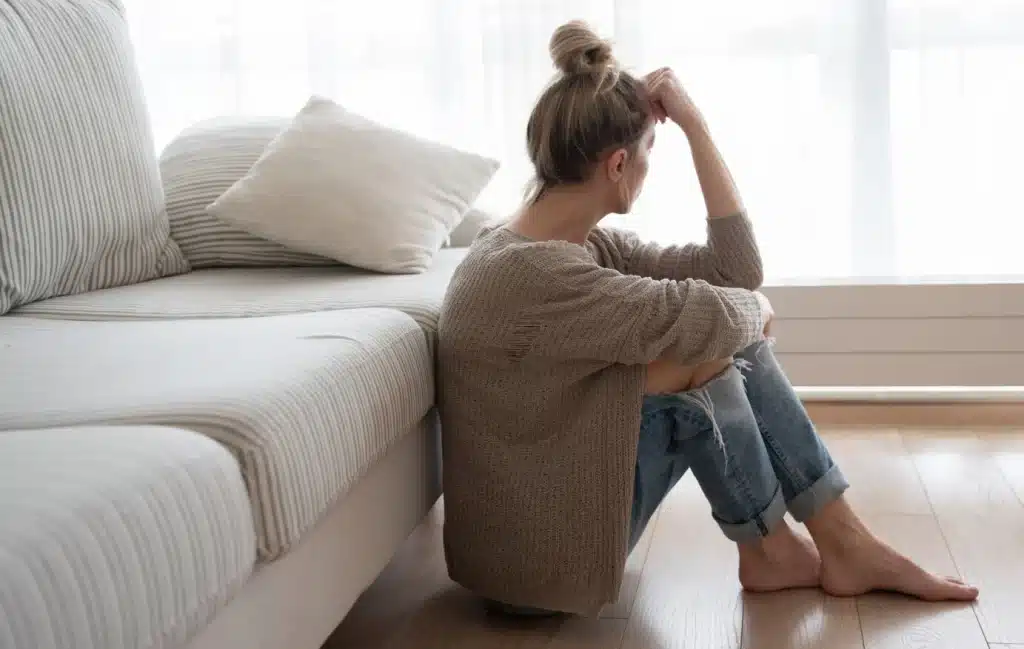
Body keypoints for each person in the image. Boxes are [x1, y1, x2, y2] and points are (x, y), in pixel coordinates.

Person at [436, 20, 978, 617]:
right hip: (542, 568)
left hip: (527, 542)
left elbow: (735, 268)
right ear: (618, 165)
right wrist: (759, 311)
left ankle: (789, 550)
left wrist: (697, 129)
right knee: (714, 348)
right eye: (649, 154)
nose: (649, 169)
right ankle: (819, 544)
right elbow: (728, 308)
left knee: (713, 341)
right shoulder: (542, 280)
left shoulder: (563, 248)